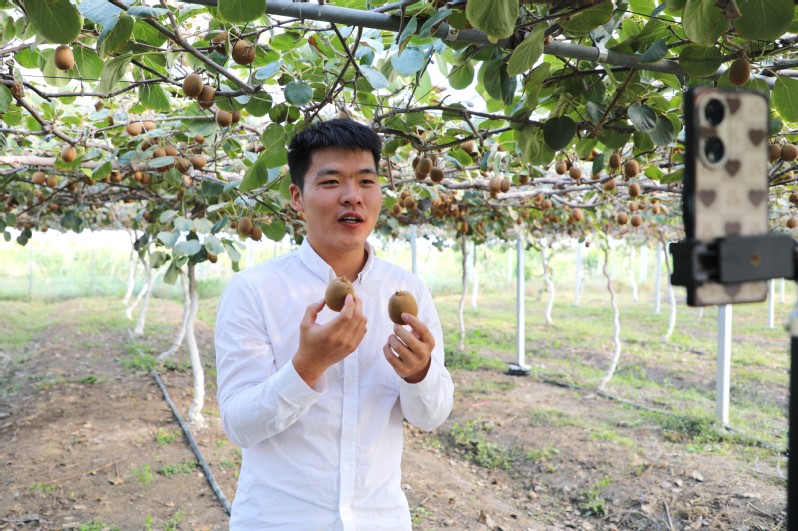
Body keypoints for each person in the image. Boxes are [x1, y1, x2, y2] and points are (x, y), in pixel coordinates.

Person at [214, 119, 455, 529]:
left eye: (366, 181)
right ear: (297, 197)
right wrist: (306, 368)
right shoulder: (253, 291)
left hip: (380, 519)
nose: (352, 196)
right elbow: (239, 426)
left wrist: (420, 373)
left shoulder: (407, 290)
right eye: (330, 182)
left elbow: (431, 416)